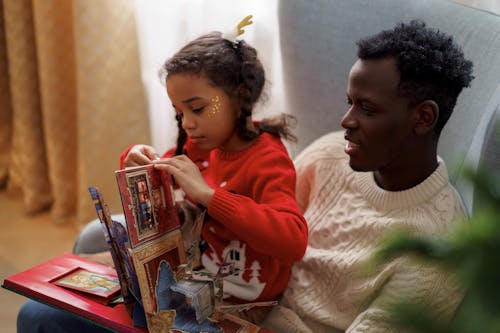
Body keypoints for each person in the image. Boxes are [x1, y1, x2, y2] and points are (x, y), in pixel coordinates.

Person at [17, 22, 308, 333]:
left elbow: (293, 241)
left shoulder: (267, 159)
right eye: (180, 113)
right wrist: (135, 158)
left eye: (197, 108)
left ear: (239, 96)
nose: (188, 124)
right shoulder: (203, 144)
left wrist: (210, 197)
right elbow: (158, 176)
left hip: (233, 309)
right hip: (182, 282)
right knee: (39, 309)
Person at [261, 20, 474, 333]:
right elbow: (258, 230)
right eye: (350, 102)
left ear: (423, 117)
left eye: (367, 109)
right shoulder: (329, 154)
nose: (346, 120)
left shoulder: (434, 250)